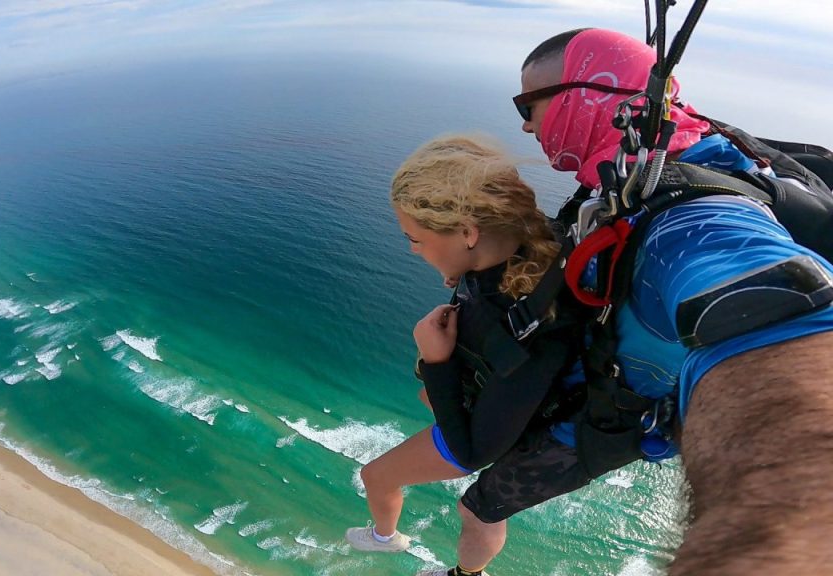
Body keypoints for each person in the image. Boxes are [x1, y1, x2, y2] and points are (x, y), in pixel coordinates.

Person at [425, 27, 833, 576]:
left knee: (478, 508)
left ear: (587, 94)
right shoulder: (658, 155)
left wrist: (781, 540)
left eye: (529, 105)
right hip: (605, 371)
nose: (525, 124)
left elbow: (783, 320)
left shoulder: (688, 220)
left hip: (610, 418)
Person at [345, 135, 592, 576]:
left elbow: (473, 451)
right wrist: (462, 276)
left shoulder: (526, 328)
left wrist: (436, 363)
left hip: (509, 430)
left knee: (377, 477)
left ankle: (386, 538)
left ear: (467, 232)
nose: (412, 249)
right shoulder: (526, 246)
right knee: (429, 412)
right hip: (505, 400)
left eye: (415, 239)